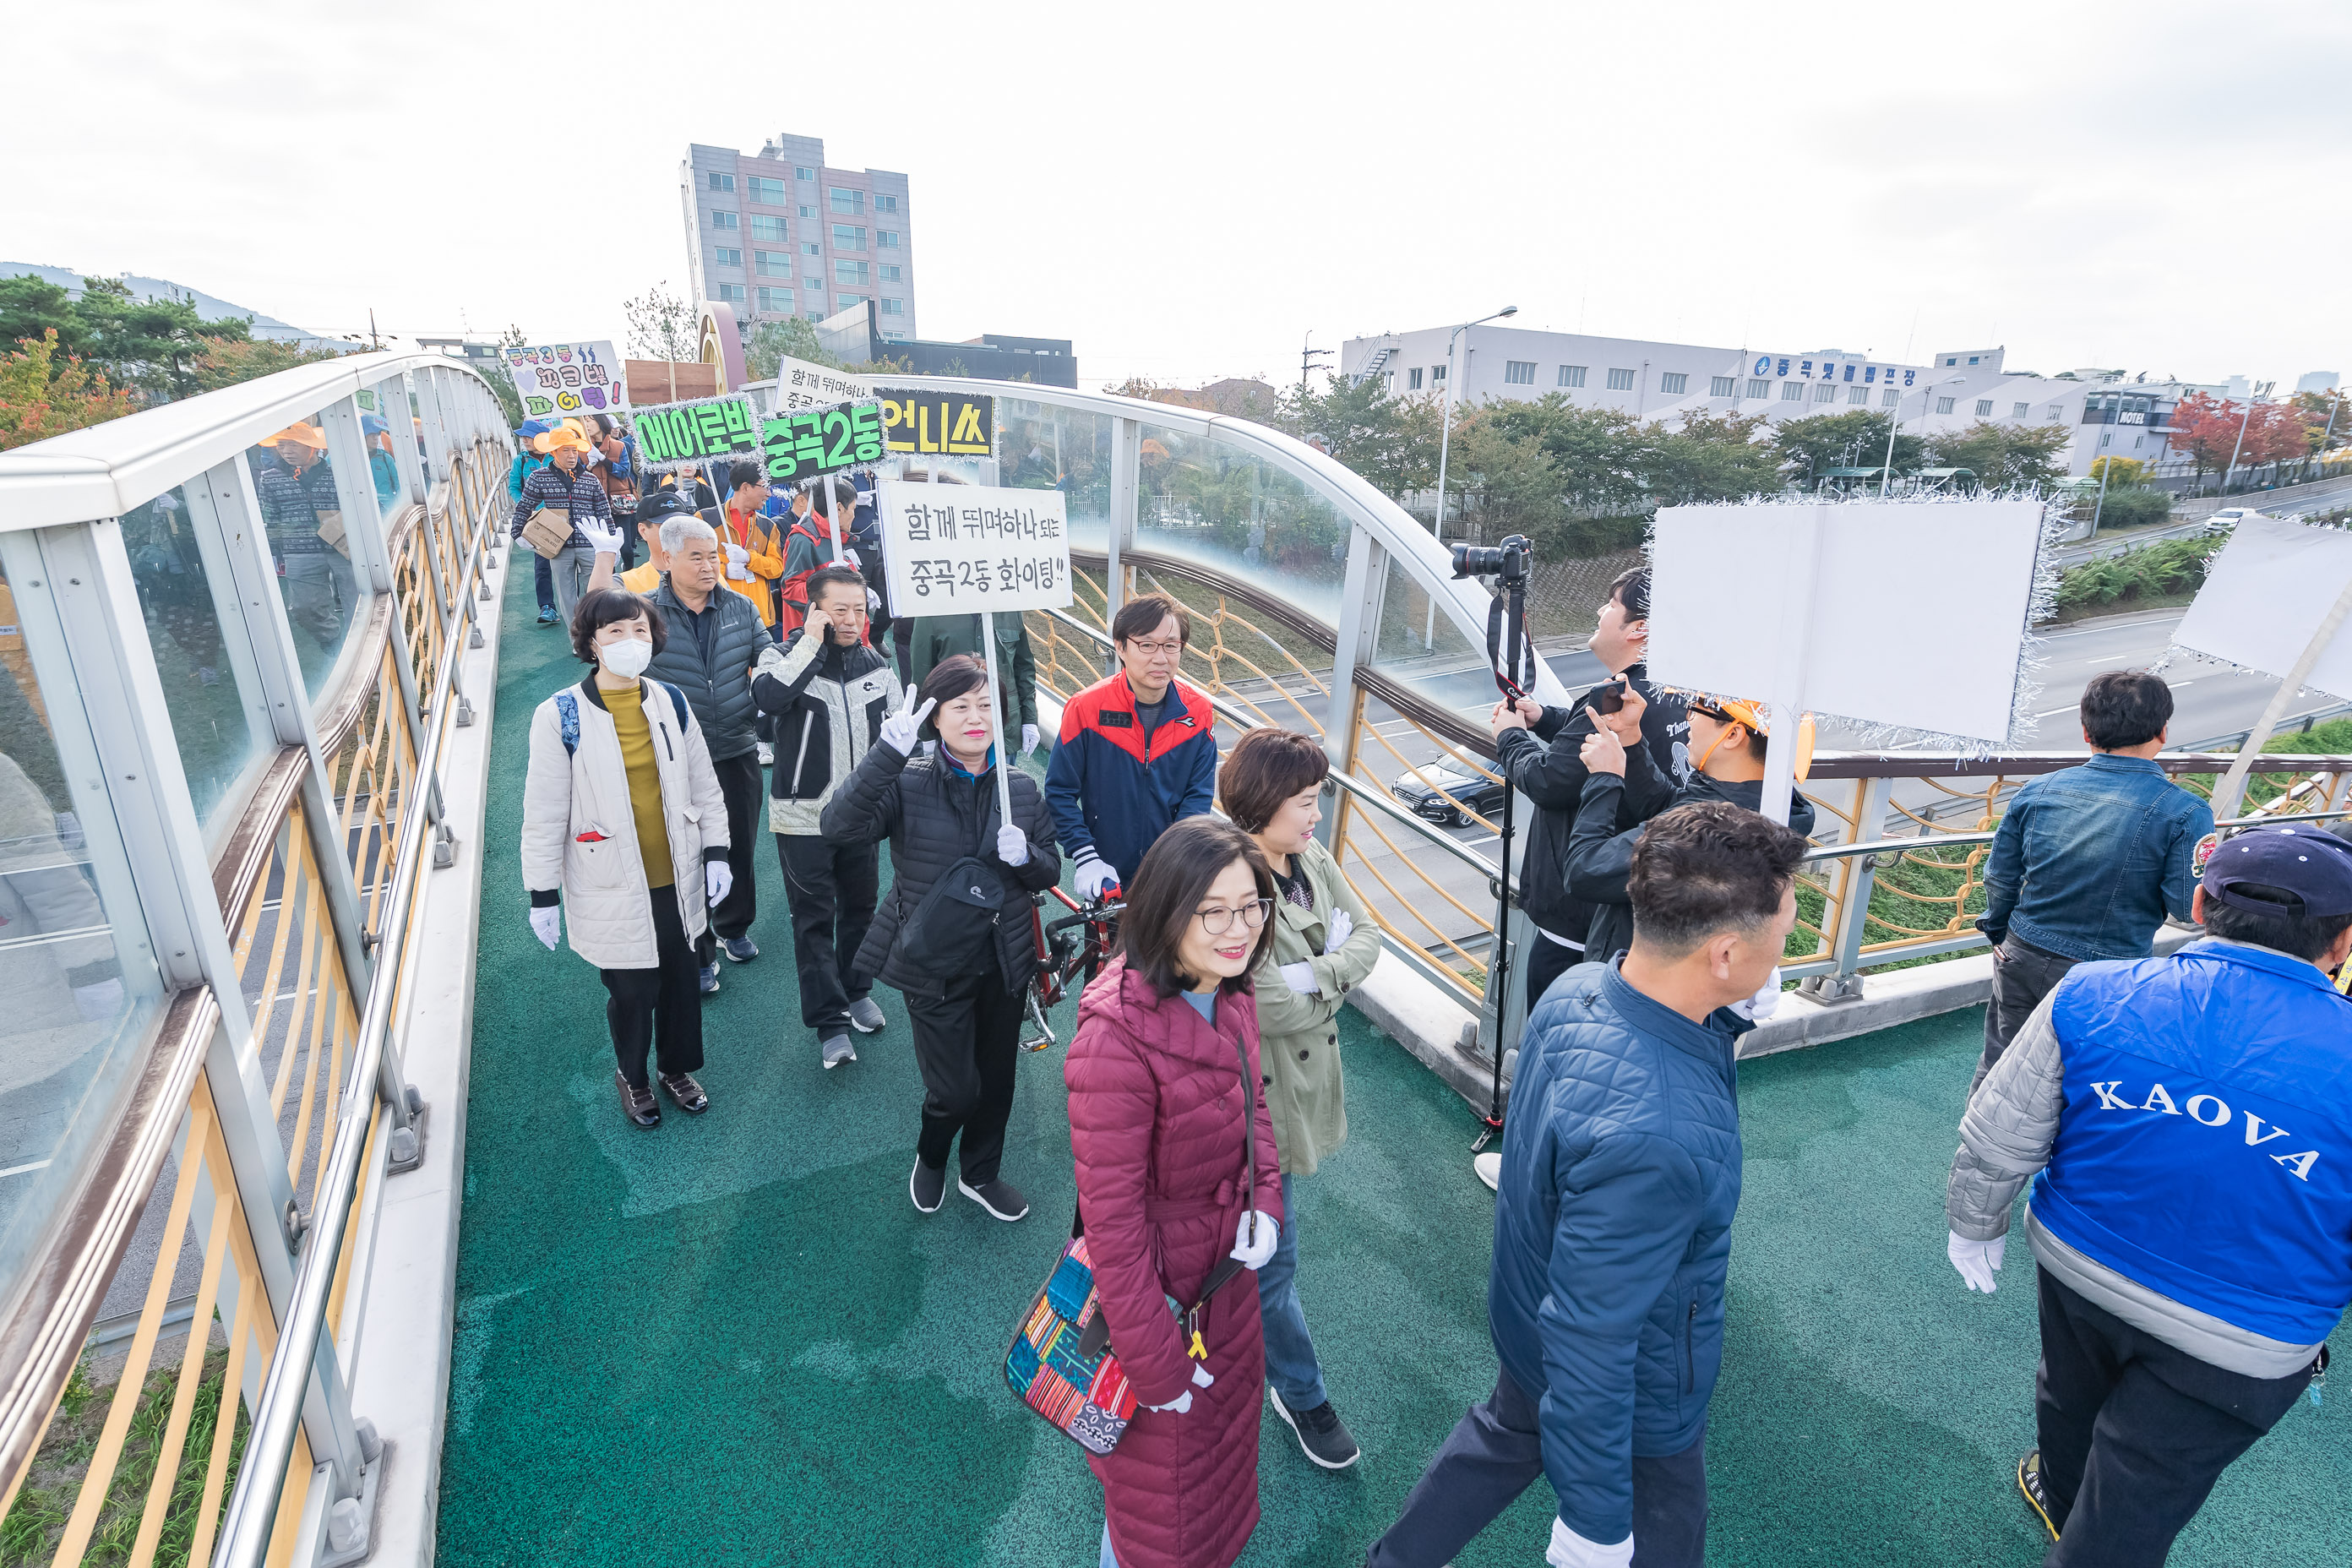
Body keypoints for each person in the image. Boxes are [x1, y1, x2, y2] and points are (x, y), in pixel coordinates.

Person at [1369, 802, 1808, 1568]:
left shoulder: (1578, 990)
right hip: (1640, 1390)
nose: (1788, 946)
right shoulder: (1659, 1138)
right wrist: (1596, 1526)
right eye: (1783, 932)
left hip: (1525, 1317)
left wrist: (1725, 1020)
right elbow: (1595, 1339)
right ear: (1726, 954)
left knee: (1502, 1437)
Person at [1945, 825, 2352, 1565]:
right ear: (2344, 941)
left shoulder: (2094, 990)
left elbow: (2000, 1129)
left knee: (2069, 1397)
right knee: (2140, 1490)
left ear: (2199, 903)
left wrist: (1975, 1223)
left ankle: (2064, 1503)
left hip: (2079, 1261)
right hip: (2245, 1334)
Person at [1064, 814, 1286, 1568]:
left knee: (1204, 1489)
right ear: (1166, 909)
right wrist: (1156, 1371)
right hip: (1160, 1313)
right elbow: (1113, 1230)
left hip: (1222, 1285)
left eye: (1252, 905)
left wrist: (1267, 1205)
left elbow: (1255, 1108)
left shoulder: (1230, 989)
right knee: (1155, 1513)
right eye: (1214, 911)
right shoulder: (1112, 1042)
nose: (1239, 930)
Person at [820, 655, 1060, 1221]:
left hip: (1003, 961)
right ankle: (932, 1157)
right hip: (931, 961)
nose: (975, 718)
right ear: (934, 717)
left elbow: (1049, 870)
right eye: (960, 706)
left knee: (996, 1081)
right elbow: (838, 826)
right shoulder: (907, 780)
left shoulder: (1021, 789)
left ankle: (980, 1174)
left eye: (986, 706)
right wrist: (886, 754)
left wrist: (1026, 856)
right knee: (954, 1089)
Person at [1220, 727, 1382, 1472]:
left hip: (1298, 1088)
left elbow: (1371, 940)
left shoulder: (1307, 859)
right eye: (1306, 801)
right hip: (1251, 1103)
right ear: (1263, 803)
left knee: (1263, 1257)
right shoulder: (1228, 879)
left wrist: (1313, 976)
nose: (1316, 815)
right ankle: (1300, 1390)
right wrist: (1332, 972)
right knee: (1273, 1266)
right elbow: (1261, 1005)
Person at [520, 587, 731, 1128]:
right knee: (633, 990)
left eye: (639, 630)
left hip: (676, 873)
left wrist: (717, 851)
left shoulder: (670, 701)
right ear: (591, 643)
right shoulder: (559, 715)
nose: (630, 641)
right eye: (615, 632)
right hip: (610, 878)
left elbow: (705, 785)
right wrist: (542, 894)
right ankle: (633, 1076)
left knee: (683, 980)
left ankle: (676, 1068)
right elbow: (544, 810)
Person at [1972, 669, 2213, 1090]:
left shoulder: (2038, 790)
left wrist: (2000, 932)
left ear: (2086, 731)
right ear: (2163, 731)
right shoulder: (2187, 812)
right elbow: (2185, 907)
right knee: (2087, 1082)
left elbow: (2000, 876)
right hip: (2110, 970)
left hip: (2022, 951)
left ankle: (1976, 1152)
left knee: (2002, 1065)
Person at [1489, 565, 1690, 1010]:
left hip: (1579, 913)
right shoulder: (1675, 690)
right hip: (1635, 904)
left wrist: (1510, 736)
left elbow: (1548, 781)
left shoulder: (1615, 698)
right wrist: (1545, 718)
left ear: (1639, 629)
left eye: (1611, 604)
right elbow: (1593, 739)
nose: (1601, 611)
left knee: (1557, 1025)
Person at [751, 564, 902, 1070]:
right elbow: (769, 699)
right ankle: (830, 1022)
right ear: (814, 609)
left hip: (861, 816)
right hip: (802, 818)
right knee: (812, 920)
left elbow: (898, 738)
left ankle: (857, 990)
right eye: (840, 610)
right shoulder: (781, 654)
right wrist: (812, 645)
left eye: (860, 609)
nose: (853, 619)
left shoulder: (877, 664)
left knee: (861, 909)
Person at [1564, 689, 1816, 968]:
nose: (1688, 719)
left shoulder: (1710, 829)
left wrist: (1604, 778)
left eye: (1696, 710)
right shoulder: (1753, 802)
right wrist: (1631, 739)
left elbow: (1586, 872)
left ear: (1732, 735)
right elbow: (1668, 808)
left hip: (1639, 982)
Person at [640, 514, 768, 989]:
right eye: (696, 556)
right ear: (668, 559)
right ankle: (698, 948)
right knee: (686, 853)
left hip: (736, 746)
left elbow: (766, 656)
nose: (709, 565)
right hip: (675, 757)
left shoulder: (740, 607)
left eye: (712, 555)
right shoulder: (645, 615)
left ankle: (734, 927)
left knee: (739, 841)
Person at [1046, 592, 1219, 899]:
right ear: (1121, 647)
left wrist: (1176, 858)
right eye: (1147, 645)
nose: (1160, 658)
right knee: (1103, 946)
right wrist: (1086, 856)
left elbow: (1198, 797)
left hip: (1169, 874)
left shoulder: (1199, 713)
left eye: (1170, 646)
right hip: (1104, 871)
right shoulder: (1086, 709)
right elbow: (1060, 791)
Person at [250, 422, 356, 659]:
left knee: (357, 602)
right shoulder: (271, 477)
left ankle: (358, 649)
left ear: (312, 448)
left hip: (343, 547)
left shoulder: (337, 473)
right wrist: (275, 547)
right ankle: (330, 637)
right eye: (282, 445)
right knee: (303, 608)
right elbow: (267, 515)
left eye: (293, 444)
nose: (287, 451)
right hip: (298, 549)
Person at [509, 427, 614, 633]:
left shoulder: (590, 479)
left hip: (589, 544)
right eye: (566, 450)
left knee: (596, 592)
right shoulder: (539, 477)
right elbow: (525, 505)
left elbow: (604, 512)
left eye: (574, 450)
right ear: (554, 452)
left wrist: (611, 546)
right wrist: (517, 532)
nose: (572, 455)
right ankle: (577, 639)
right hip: (558, 546)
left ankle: (595, 633)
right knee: (566, 596)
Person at [908, 611, 1043, 759]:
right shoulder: (931, 612)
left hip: (1003, 728)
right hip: (955, 728)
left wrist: (1030, 719)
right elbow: (923, 680)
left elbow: (1023, 668)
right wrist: (927, 735)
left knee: (1006, 780)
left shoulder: (1009, 608)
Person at [778, 476, 860, 639]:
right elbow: (791, 590)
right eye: (853, 508)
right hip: (813, 638)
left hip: (839, 634)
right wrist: (831, 588)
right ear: (838, 509)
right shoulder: (804, 540)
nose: (854, 515)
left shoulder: (835, 537)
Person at [717, 460, 786, 634]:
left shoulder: (768, 526)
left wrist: (749, 558)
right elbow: (693, 564)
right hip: (719, 617)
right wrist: (724, 571)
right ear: (745, 488)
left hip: (760, 618)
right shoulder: (706, 520)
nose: (769, 494)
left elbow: (777, 568)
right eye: (765, 487)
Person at [508, 422, 559, 625]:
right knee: (542, 563)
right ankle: (547, 607)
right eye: (523, 437)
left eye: (529, 436)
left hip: (561, 516)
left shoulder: (556, 455)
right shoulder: (520, 461)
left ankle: (578, 606)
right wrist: (526, 505)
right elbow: (514, 487)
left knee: (570, 562)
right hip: (537, 519)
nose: (525, 440)